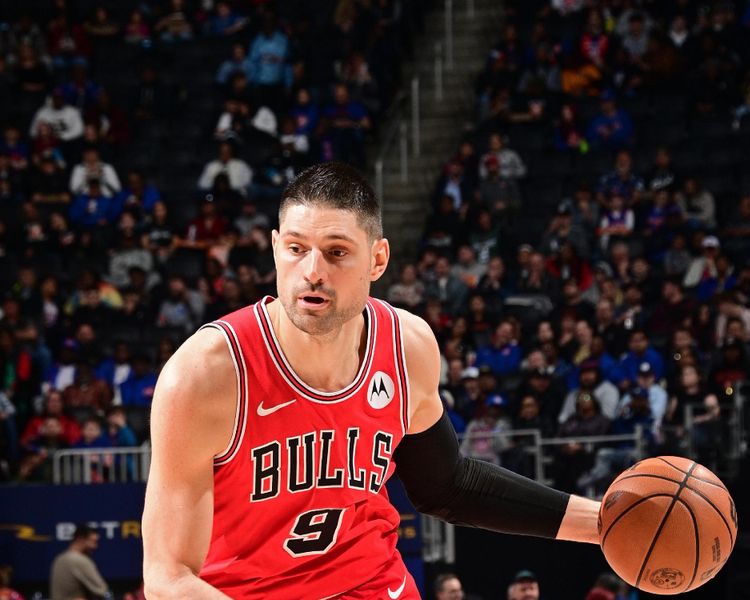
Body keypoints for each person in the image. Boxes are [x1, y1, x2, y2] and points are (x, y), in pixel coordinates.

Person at [142, 163, 600, 599]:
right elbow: (167, 578)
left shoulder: (407, 346)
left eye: (337, 252)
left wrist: (602, 522)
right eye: (297, 249)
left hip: (372, 585)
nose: (313, 271)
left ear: (378, 259)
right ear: (276, 247)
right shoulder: (205, 375)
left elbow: (447, 485)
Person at [49, 524, 109, 600]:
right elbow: (101, 590)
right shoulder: (80, 560)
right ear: (80, 539)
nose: (95, 546)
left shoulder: (58, 559)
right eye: (93, 542)